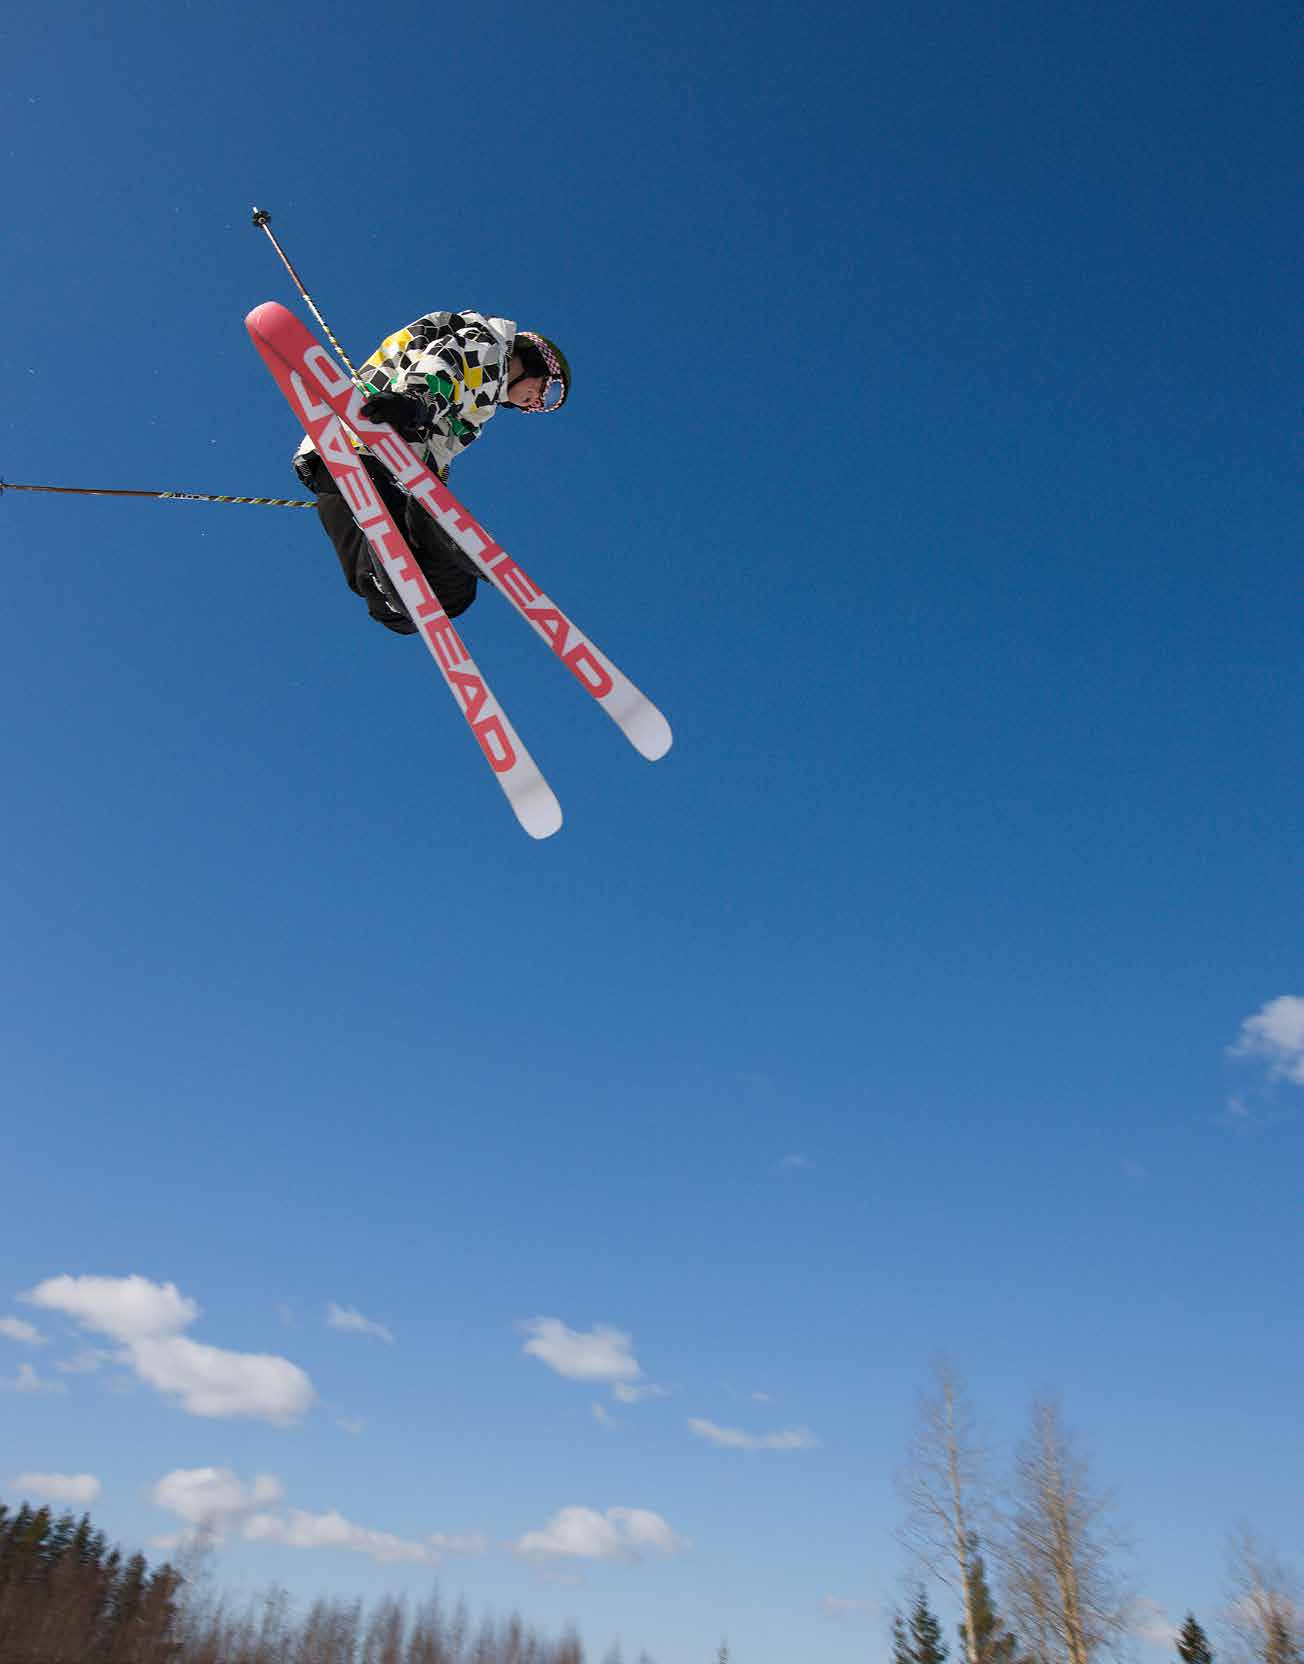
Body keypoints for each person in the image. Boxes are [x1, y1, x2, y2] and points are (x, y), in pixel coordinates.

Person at [293, 310, 571, 633]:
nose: (535, 403)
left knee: (399, 607)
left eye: (543, 404)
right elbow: (447, 363)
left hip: (338, 466)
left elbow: (438, 447)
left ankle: (431, 528)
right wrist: (415, 402)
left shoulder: (478, 409)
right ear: (536, 361)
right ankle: (433, 524)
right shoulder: (489, 347)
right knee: (449, 592)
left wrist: (432, 485)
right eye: (547, 391)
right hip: (378, 449)